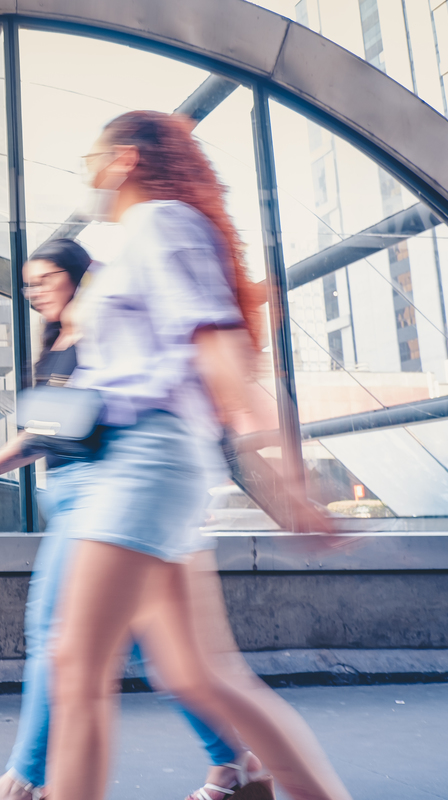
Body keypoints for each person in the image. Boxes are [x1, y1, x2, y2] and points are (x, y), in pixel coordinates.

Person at [39, 111, 351, 800]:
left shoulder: (161, 225)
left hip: (143, 463)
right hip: (143, 465)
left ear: (123, 160)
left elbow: (221, 357)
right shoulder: (140, 238)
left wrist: (290, 484)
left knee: (77, 666)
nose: (85, 171)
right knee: (196, 673)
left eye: (90, 155)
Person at [0, 239, 262, 800]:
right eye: (29, 283)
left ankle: (23, 781)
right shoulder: (55, 345)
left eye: (45, 278)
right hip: (70, 497)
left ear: (76, 277)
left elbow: (113, 412)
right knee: (160, 650)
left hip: (104, 498)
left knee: (50, 630)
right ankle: (235, 763)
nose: (36, 291)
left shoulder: (102, 332)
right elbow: (48, 432)